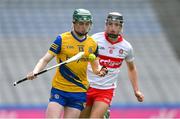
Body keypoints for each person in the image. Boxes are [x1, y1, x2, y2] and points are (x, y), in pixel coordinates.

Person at [26, 8, 107, 118]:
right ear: (74, 23)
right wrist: (35, 71)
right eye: (81, 23)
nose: (84, 27)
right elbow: (45, 59)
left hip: (79, 91)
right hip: (59, 89)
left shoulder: (92, 44)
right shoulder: (62, 39)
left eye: (87, 24)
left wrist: (100, 71)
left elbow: (95, 68)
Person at [80, 12, 144, 118]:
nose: (112, 28)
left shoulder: (126, 47)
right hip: (87, 86)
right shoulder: (94, 39)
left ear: (121, 27)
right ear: (106, 25)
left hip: (106, 90)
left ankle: (102, 114)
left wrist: (136, 90)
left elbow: (131, 69)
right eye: (110, 24)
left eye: (116, 25)